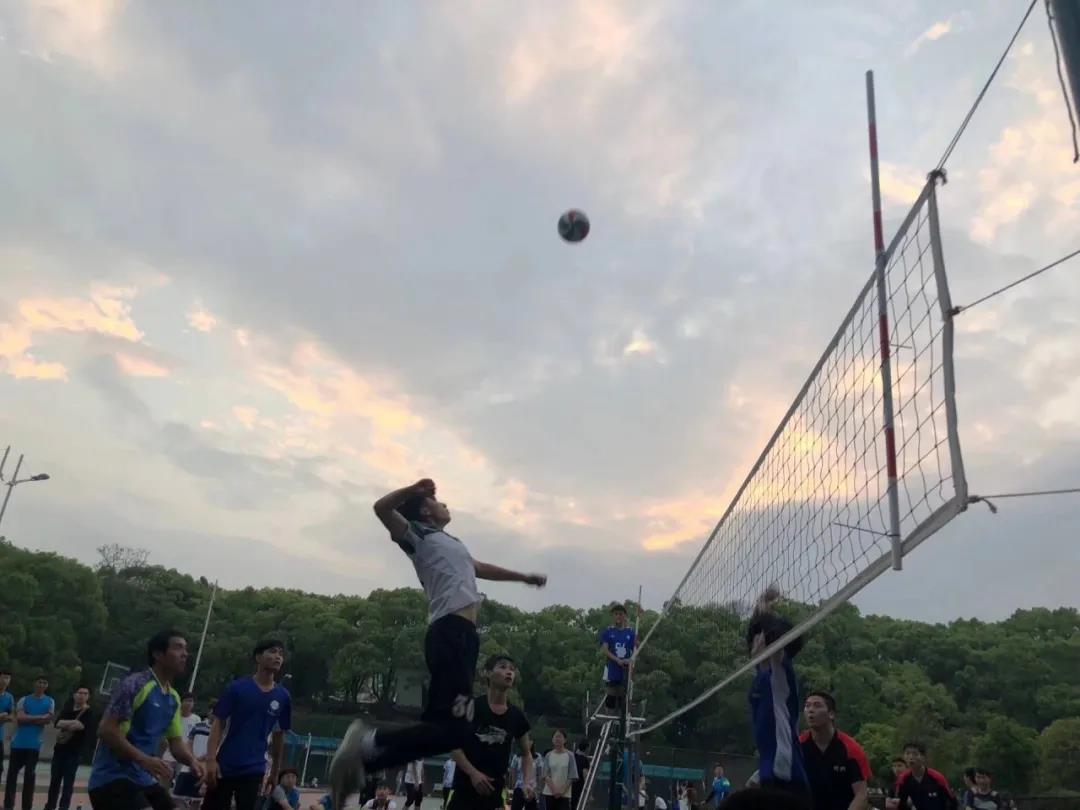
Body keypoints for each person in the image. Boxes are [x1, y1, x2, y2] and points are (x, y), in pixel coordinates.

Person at [330, 479, 547, 809]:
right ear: (424, 511)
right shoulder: (416, 535)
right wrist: (415, 488)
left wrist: (523, 577)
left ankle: (365, 761)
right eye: (437, 501)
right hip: (450, 632)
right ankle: (369, 741)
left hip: (465, 638)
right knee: (453, 731)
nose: (444, 504)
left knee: (450, 732)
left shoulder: (453, 543)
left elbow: (480, 568)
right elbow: (381, 508)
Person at [87, 629, 204, 810]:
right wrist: (144, 760)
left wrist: (193, 762)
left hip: (143, 779)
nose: (185, 654)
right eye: (178, 648)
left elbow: (176, 744)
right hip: (112, 778)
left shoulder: (173, 697)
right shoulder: (135, 684)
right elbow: (106, 730)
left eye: (185, 649)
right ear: (158, 654)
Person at [204, 639, 293, 810]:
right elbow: (219, 723)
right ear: (258, 657)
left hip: (254, 768)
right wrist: (210, 760)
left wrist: (275, 772)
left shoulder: (283, 697)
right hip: (225, 765)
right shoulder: (236, 688)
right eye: (272, 652)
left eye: (281, 654)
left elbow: (279, 735)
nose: (278, 657)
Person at [451, 654, 535, 810]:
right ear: (488, 673)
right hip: (463, 794)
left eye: (512, 669)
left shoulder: (517, 716)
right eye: (502, 667)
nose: (509, 672)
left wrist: (527, 782)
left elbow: (526, 754)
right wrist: (473, 773)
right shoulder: (470, 707)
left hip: (494, 796)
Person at [746, 587, 808, 796]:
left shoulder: (779, 674)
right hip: (770, 773)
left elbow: (782, 636)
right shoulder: (759, 680)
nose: (756, 641)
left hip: (786, 774)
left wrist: (765, 611)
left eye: (760, 638)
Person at [798, 691, 870, 810]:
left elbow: (861, 795)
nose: (810, 710)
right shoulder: (798, 747)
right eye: (807, 705)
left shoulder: (851, 749)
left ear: (831, 714)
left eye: (817, 705)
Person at [4, 675, 55, 810]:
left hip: (34, 745)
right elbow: (20, 718)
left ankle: (26, 806)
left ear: (47, 685)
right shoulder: (24, 700)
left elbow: (48, 719)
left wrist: (29, 718)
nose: (42, 684)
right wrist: (39, 717)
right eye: (39, 682)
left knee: (29, 776)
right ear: (35, 683)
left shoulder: (50, 701)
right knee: (11, 775)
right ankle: (8, 805)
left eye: (44, 682)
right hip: (18, 743)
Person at [44, 685, 95, 810]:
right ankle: (50, 806)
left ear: (88, 697)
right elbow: (58, 723)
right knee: (54, 781)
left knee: (68, 782)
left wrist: (67, 723)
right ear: (75, 694)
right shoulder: (67, 709)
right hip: (60, 750)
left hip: (74, 752)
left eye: (85, 693)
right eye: (80, 692)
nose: (82, 695)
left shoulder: (89, 712)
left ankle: (64, 807)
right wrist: (73, 723)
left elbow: (81, 726)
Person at [894, 742, 957, 810]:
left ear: (923, 757)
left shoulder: (937, 778)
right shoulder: (903, 779)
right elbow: (901, 804)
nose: (911, 757)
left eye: (915, 754)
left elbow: (952, 802)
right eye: (907, 753)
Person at [174, 697, 215, 798]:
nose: (213, 713)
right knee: (178, 795)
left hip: (205, 768)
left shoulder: (220, 731)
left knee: (197, 798)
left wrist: (204, 758)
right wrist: (192, 758)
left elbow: (217, 748)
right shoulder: (198, 725)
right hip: (190, 764)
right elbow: (189, 743)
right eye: (212, 710)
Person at [600, 605, 635, 710]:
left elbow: (636, 650)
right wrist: (617, 660)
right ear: (613, 616)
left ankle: (622, 717)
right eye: (616, 614)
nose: (618, 616)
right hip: (612, 671)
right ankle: (609, 716)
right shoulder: (608, 632)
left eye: (620, 614)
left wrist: (630, 659)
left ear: (625, 616)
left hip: (625, 672)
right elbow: (605, 650)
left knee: (623, 701)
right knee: (610, 700)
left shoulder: (630, 633)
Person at [164, 692, 201, 782]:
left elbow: (196, 738)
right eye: (187, 701)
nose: (189, 703)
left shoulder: (196, 719)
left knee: (179, 780)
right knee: (164, 777)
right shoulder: (174, 716)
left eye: (191, 701)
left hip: (185, 755)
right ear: (181, 702)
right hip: (170, 753)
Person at [542, 730, 578, 810]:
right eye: (555, 737)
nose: (557, 739)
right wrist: (554, 790)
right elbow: (546, 775)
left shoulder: (570, 755)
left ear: (565, 740)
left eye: (560, 737)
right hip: (549, 792)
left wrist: (562, 791)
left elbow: (572, 775)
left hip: (564, 794)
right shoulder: (548, 755)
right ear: (552, 740)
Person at [509, 745, 542, 810]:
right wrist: (513, 786)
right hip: (519, 788)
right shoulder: (517, 756)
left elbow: (540, 774)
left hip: (532, 790)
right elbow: (513, 772)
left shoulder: (538, 757)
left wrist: (537, 790)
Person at [0, 670, 13, 789]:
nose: (5, 680)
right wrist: (2, 715)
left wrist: (5, 716)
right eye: (3, 677)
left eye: (7, 678)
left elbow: (11, 716)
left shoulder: (9, 697)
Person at [570, 740, 590, 810]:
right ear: (586, 748)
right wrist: (587, 786)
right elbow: (585, 774)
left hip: (570, 783)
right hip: (579, 784)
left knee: (573, 803)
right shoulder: (584, 759)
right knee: (579, 803)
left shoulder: (573, 757)